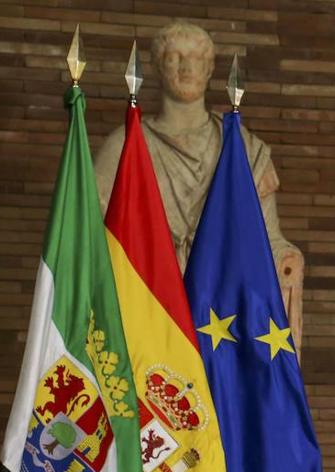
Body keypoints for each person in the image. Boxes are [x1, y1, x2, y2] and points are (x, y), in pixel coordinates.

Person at [93, 20, 306, 345]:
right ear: (157, 67)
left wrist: (285, 258)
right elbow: (97, 232)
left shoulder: (245, 149)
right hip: (150, 297)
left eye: (196, 58)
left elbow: (266, 235)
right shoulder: (126, 145)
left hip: (221, 306)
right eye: (175, 57)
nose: (186, 66)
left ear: (209, 69)